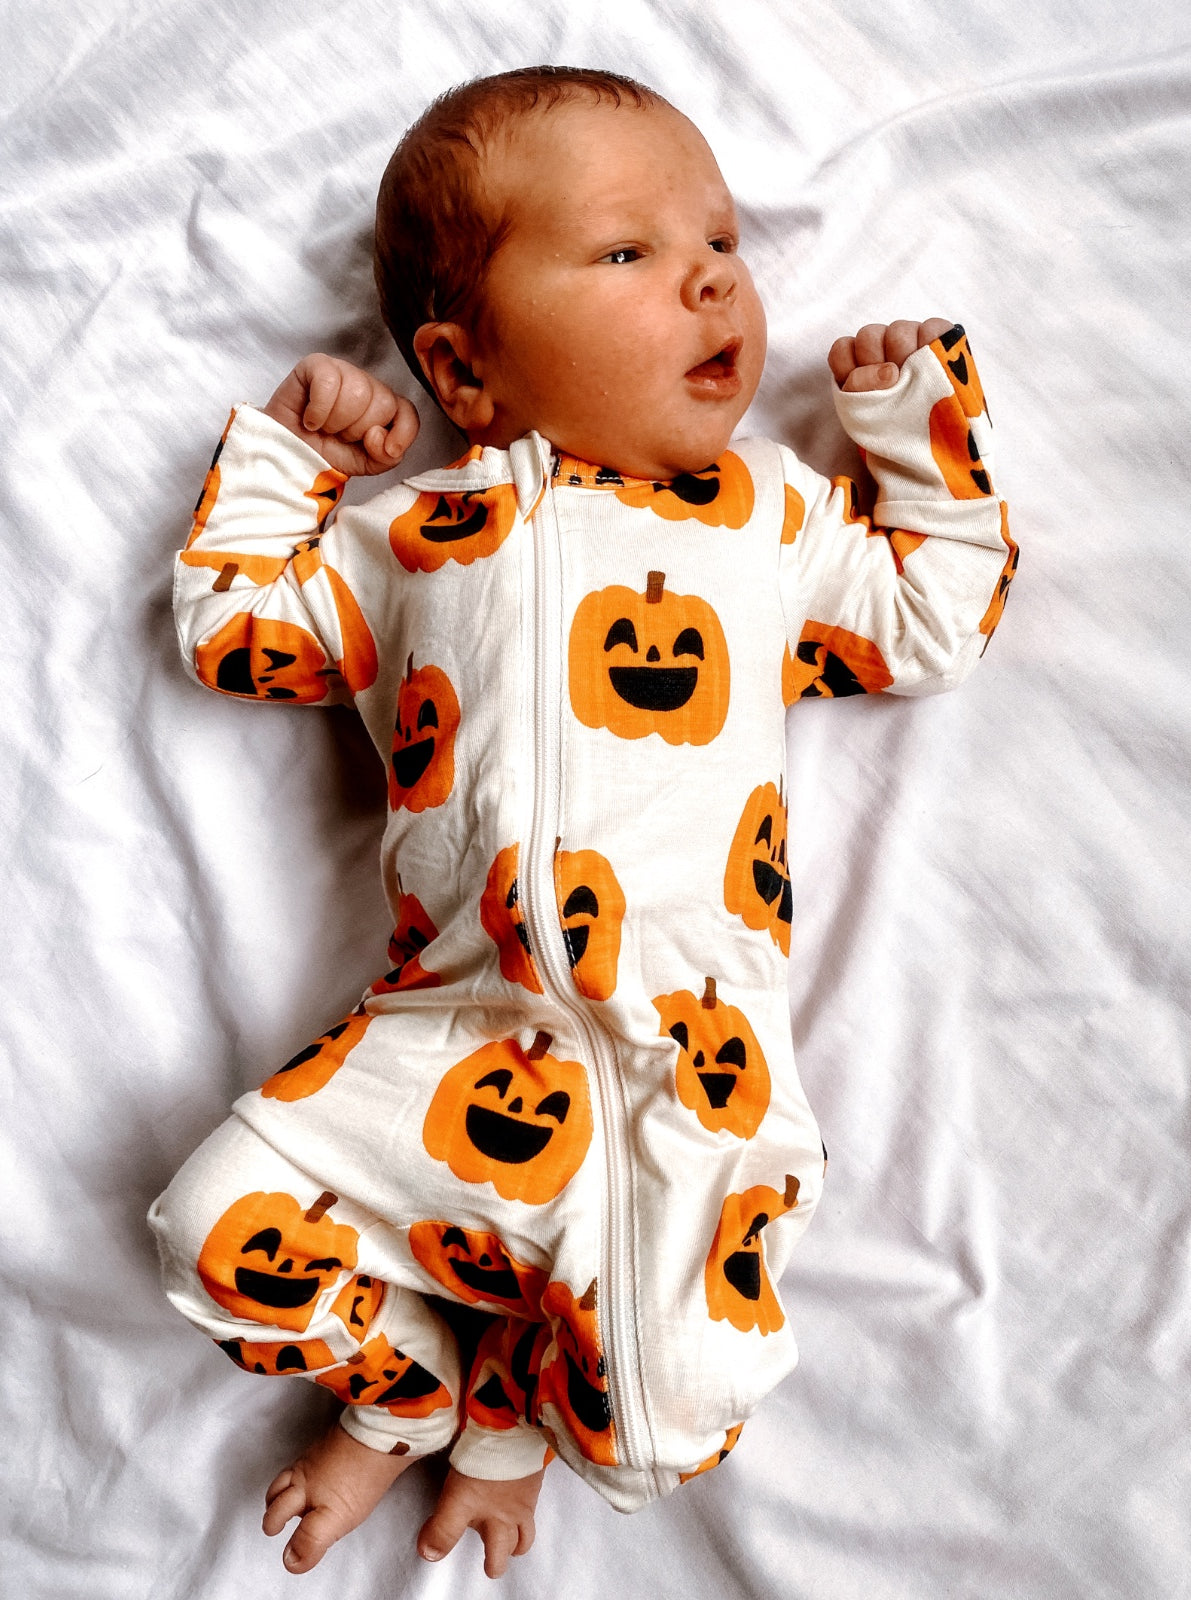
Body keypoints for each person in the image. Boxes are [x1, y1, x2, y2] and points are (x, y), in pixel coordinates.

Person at [149, 65, 1016, 1581]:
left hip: (692, 1059)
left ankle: (508, 1422)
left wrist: (910, 423)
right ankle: (408, 1386)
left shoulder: (773, 517)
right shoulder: (411, 536)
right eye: (627, 253)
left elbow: (930, 615)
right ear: (462, 369)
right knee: (207, 1231)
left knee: (669, 1426)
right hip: (438, 1039)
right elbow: (234, 630)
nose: (705, 278)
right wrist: (297, 461)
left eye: (722, 244)